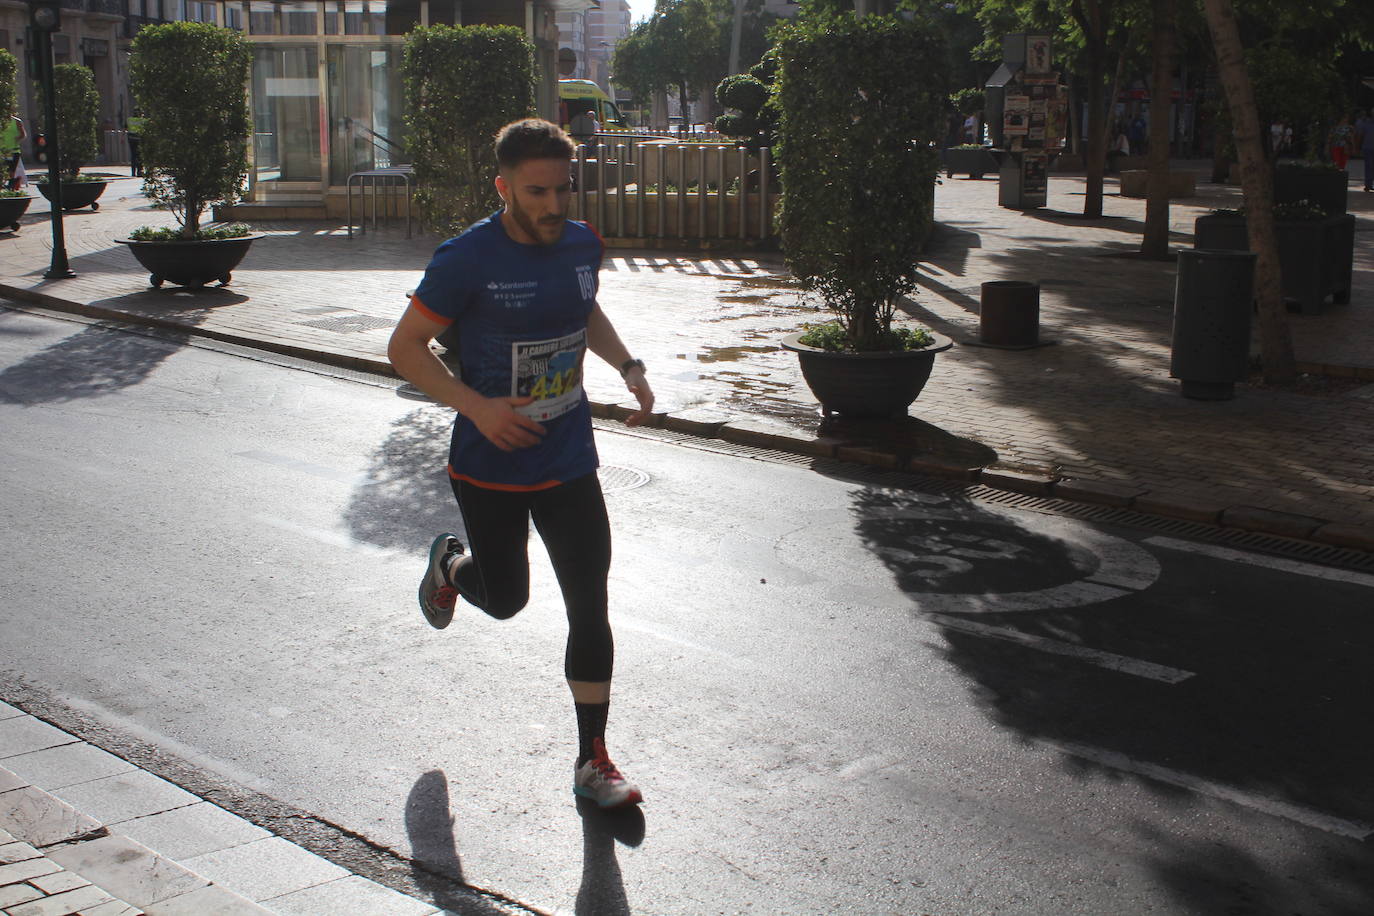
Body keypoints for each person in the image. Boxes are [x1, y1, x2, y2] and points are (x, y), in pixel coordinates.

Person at [387, 118, 654, 809]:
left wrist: (627, 365)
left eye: (562, 189)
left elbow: (585, 309)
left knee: (589, 603)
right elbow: (406, 347)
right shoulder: (465, 259)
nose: (553, 204)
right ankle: (451, 566)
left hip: (568, 454)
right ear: (503, 187)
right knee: (506, 602)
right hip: (490, 462)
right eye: (537, 192)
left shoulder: (581, 242)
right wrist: (475, 406)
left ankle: (592, 761)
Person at [2, 114, 25, 191]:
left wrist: (17, 138)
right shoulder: (1, 121)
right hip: (2, 150)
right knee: (2, 170)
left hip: (13, 150)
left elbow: (23, 134)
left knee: (11, 171)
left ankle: (11, 185)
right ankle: (12, 183)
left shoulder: (17, 121)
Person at [1355, 108, 1374, 192]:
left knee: (1370, 166)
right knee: (1368, 166)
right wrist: (1357, 147)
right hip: (1368, 148)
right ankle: (1368, 185)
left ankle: (1370, 184)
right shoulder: (1366, 123)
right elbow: (1361, 136)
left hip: (1368, 147)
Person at [126, 110, 146, 178]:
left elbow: (125, 128)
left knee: (133, 155)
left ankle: (133, 172)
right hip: (139, 139)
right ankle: (140, 171)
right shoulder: (142, 120)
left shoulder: (129, 119)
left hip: (131, 139)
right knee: (139, 155)